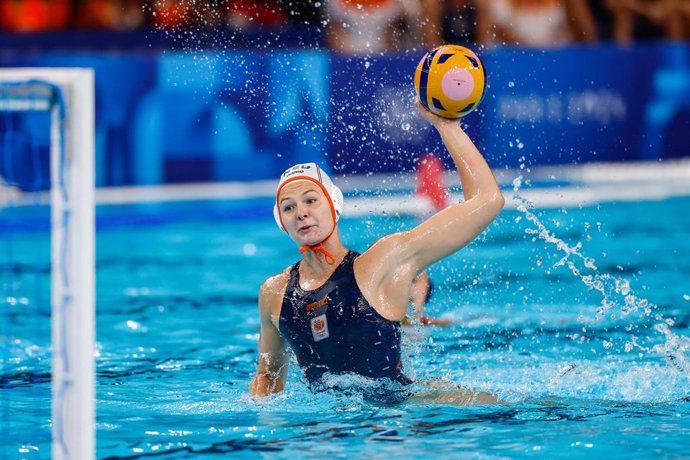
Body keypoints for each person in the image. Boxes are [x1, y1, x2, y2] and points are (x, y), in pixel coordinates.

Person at [248, 101, 504, 404]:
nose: (301, 213)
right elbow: (268, 375)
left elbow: (487, 201)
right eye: (288, 207)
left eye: (311, 201)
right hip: (328, 437)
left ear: (334, 206)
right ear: (282, 223)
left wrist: (448, 127)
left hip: (400, 421)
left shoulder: (381, 262)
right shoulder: (275, 293)